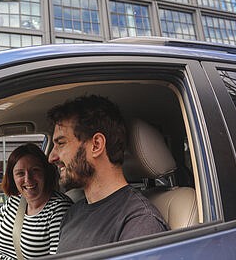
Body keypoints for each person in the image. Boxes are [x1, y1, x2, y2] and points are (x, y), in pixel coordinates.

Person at [47, 95, 168, 253]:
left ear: (96, 145)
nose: (51, 157)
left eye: (61, 143)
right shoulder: (73, 213)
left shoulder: (140, 222)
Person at [0, 143, 72, 260]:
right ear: (12, 178)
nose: (28, 179)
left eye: (35, 170)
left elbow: (57, 257)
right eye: (20, 173)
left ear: (46, 172)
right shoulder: (12, 203)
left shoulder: (58, 209)